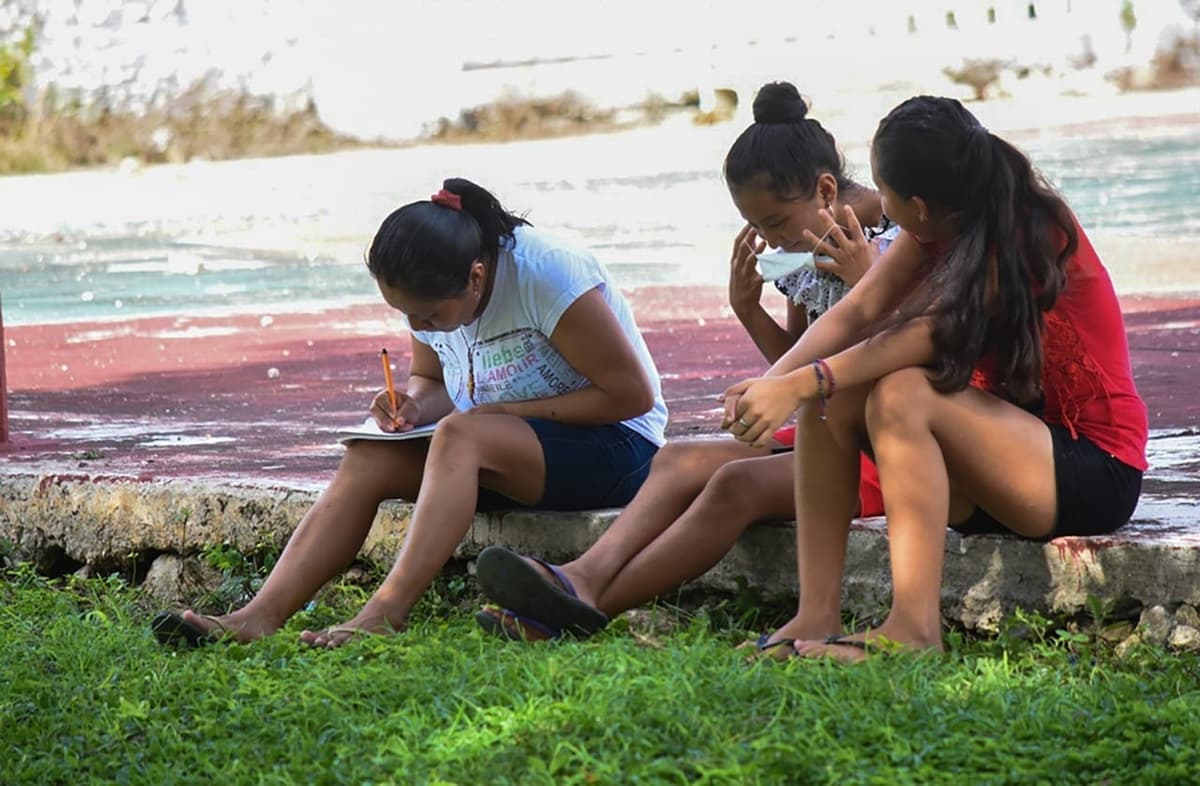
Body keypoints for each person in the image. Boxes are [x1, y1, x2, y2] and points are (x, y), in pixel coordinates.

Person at [152, 177, 667, 649]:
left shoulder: (545, 274)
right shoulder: (434, 286)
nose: (420, 325)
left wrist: (503, 412)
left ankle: (385, 612)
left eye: (429, 315)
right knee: (368, 457)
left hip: (616, 449)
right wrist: (414, 404)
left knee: (463, 434)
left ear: (476, 276)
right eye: (406, 315)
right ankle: (258, 616)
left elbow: (630, 396)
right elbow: (435, 382)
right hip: (505, 450)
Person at [720, 95, 1148, 661]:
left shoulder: (1025, 229)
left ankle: (914, 632)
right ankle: (816, 614)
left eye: (884, 193)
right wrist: (771, 384)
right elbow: (858, 312)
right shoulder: (934, 222)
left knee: (901, 391)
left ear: (918, 205)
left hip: (1091, 471)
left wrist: (804, 380)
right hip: (1002, 462)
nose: (878, 206)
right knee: (835, 394)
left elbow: (925, 335)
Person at [473, 82, 893, 646]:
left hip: (880, 445)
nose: (769, 242)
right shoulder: (809, 245)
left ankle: (574, 611)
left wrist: (862, 280)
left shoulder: (893, 241)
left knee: (732, 485)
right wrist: (746, 309)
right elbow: (797, 359)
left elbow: (905, 351)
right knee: (678, 457)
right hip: (823, 428)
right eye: (759, 227)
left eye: (773, 223)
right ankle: (581, 577)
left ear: (823, 189)